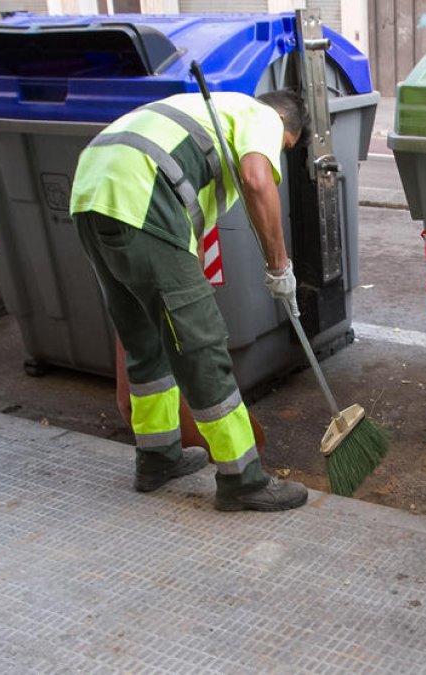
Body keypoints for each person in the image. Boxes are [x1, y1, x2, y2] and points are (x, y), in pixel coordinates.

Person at [70, 90, 309, 512]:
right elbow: (256, 178)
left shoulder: (213, 112)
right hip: (142, 200)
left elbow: (187, 242)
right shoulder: (261, 116)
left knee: (145, 340)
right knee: (200, 346)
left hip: (92, 193)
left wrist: (187, 292)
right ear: (287, 128)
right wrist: (279, 265)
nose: (277, 158)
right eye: (285, 149)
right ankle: (243, 479)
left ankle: (158, 457)